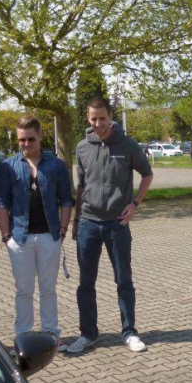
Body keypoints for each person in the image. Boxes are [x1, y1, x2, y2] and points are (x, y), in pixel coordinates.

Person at [64, 96, 153, 354]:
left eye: (102, 118)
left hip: (117, 223)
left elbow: (147, 174)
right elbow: (81, 186)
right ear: (88, 119)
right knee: (86, 283)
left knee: (123, 279)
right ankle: (88, 334)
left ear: (110, 116)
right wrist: (76, 221)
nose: (98, 123)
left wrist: (135, 203)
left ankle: (129, 332)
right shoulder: (82, 147)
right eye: (93, 119)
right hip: (89, 223)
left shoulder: (127, 145)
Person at [0, 116, 74, 340]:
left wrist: (62, 230)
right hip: (20, 238)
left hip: (50, 236)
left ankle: (51, 333)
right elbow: (2, 202)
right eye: (22, 140)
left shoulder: (56, 165)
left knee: (48, 289)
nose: (26, 144)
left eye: (30, 139)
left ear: (40, 136)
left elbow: (66, 200)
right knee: (24, 290)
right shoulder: (8, 166)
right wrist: (6, 236)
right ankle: (24, 334)